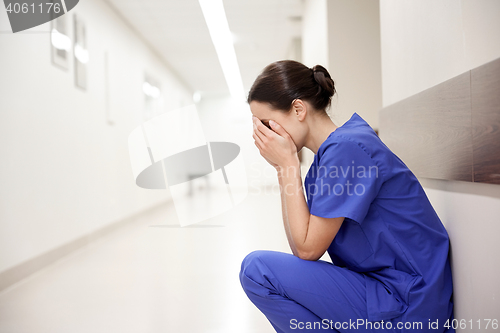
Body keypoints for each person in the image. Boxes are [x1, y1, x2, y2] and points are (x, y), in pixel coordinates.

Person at [239, 60, 455, 333]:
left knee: (256, 271)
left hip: (408, 302)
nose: (264, 137)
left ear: (298, 109)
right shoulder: (329, 157)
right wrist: (286, 167)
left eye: (267, 125)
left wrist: (286, 165)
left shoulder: (347, 150)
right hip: (388, 291)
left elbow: (307, 249)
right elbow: (301, 247)